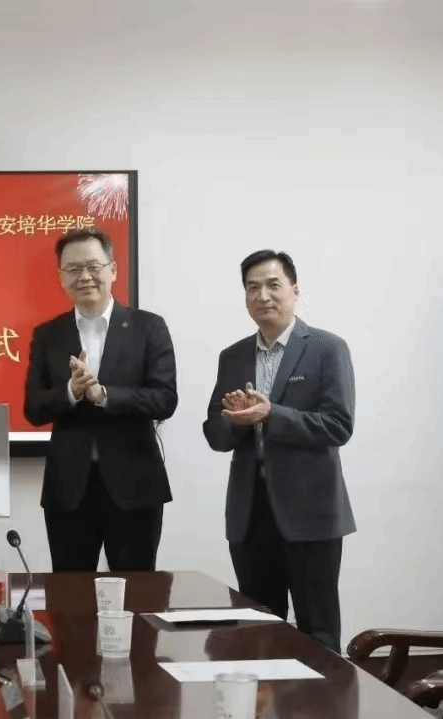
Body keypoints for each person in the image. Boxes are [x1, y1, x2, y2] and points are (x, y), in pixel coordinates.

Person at [202, 249, 356, 654]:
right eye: (253, 288)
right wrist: (236, 420)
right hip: (250, 515)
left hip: (311, 514)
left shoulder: (326, 348)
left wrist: (272, 414)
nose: (263, 296)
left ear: (295, 290)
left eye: (273, 285)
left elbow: (338, 426)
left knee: (317, 635)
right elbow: (215, 433)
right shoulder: (233, 356)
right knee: (258, 632)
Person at [24, 228, 178, 572]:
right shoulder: (48, 335)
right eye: (73, 269)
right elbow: (33, 408)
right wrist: (71, 392)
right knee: (70, 593)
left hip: (135, 486)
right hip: (68, 490)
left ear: (113, 270)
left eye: (93, 267)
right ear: (61, 277)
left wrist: (104, 395)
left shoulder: (148, 327)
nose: (85, 277)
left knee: (136, 591)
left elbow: (164, 399)